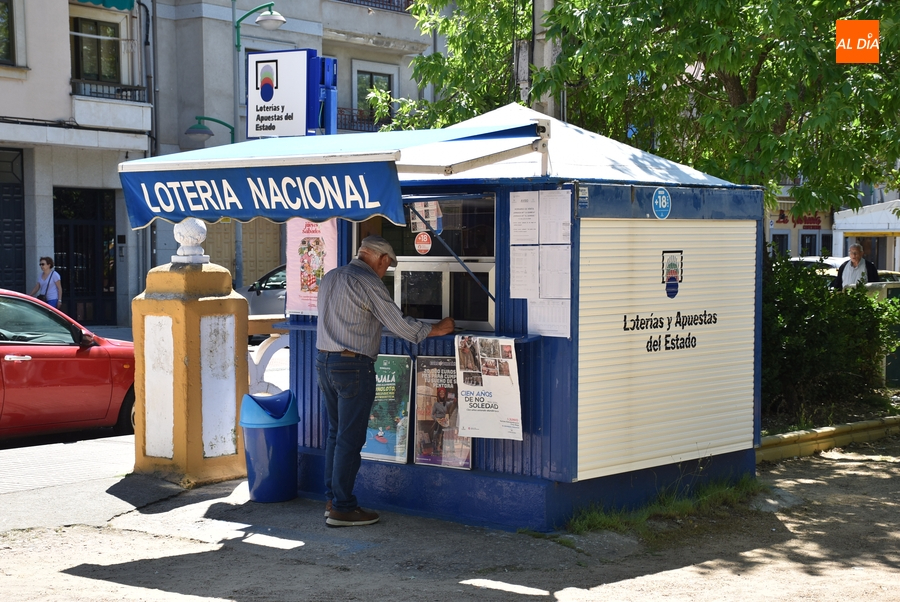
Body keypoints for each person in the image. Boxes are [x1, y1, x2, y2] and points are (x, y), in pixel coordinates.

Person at [316, 235, 454, 527]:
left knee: (336, 433)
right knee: (349, 439)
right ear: (379, 258)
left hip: (325, 361)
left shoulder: (331, 276)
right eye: (388, 265)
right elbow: (401, 325)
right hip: (353, 366)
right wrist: (439, 329)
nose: (386, 270)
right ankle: (343, 507)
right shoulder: (367, 282)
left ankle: (332, 499)